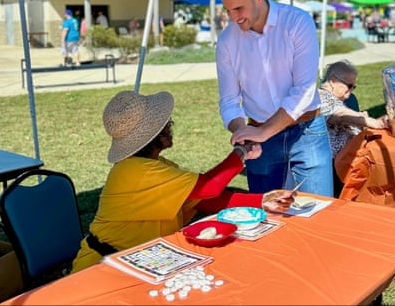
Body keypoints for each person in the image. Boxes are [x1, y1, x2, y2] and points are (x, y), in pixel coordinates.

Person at [71, 90, 295, 273]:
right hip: (101, 267)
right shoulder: (133, 171)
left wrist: (262, 201)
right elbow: (209, 186)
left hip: (136, 262)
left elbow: (203, 200)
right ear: (152, 134)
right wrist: (241, 152)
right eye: (164, 123)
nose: (170, 124)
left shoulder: (155, 167)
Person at [216, 0, 333, 197]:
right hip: (259, 137)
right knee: (264, 219)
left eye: (239, 8)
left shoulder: (298, 22)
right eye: (229, 11)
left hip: (307, 131)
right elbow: (229, 101)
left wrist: (265, 131)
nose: (235, 18)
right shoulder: (227, 41)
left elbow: (304, 90)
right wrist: (244, 133)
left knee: (316, 216)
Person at [318, 60, 390, 196]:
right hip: (334, 168)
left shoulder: (339, 100)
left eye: (353, 87)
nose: (351, 91)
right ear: (332, 81)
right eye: (349, 86)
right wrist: (368, 120)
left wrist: (378, 120)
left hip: (348, 162)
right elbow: (339, 115)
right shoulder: (321, 96)